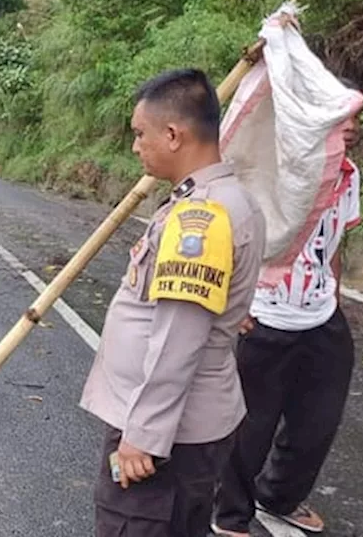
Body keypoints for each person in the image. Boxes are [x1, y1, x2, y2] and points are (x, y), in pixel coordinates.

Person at [79, 69, 266, 537]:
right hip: (184, 432)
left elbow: (177, 339)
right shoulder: (226, 200)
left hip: (166, 442)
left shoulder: (201, 219)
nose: (135, 146)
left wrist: (142, 437)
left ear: (173, 134)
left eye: (140, 134)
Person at [211, 79, 363, 537]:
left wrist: (333, 297)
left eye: (356, 117)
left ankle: (278, 497)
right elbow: (227, 233)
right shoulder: (269, 174)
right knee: (250, 426)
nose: (352, 127)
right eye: (341, 117)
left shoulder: (349, 174)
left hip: (319, 315)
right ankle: (231, 516)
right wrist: (232, 303)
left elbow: (334, 242)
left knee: (318, 420)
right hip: (263, 315)